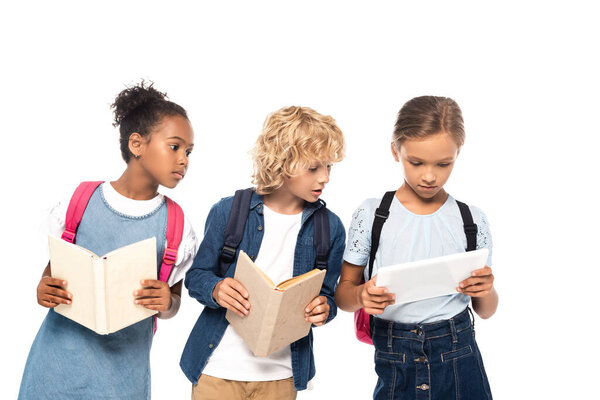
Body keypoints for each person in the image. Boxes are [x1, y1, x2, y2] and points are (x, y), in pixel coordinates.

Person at [18, 81, 198, 400]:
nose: (184, 159)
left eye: (189, 151)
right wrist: (44, 288)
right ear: (137, 144)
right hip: (54, 370)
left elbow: (172, 303)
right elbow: (52, 274)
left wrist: (166, 302)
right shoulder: (80, 200)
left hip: (122, 379)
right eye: (175, 147)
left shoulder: (177, 225)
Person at [335, 96, 498, 399]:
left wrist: (485, 289)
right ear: (396, 151)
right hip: (396, 359)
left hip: (460, 355)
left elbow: (486, 311)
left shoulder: (471, 220)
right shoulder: (372, 215)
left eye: (443, 163)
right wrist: (360, 294)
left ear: (457, 154)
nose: (429, 175)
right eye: (417, 162)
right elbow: (343, 295)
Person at [180, 106, 346, 400]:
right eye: (313, 168)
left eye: (329, 167)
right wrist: (217, 288)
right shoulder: (229, 211)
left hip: (281, 375)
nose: (325, 178)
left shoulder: (330, 227)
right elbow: (196, 277)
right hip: (217, 369)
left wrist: (325, 309)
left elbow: (329, 296)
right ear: (282, 162)